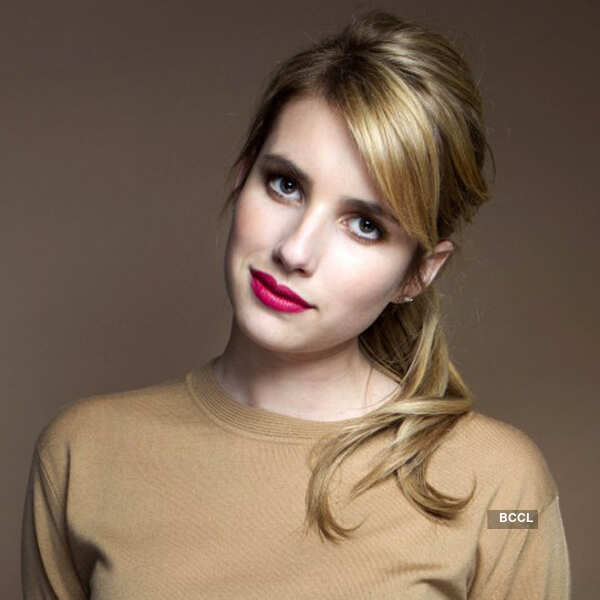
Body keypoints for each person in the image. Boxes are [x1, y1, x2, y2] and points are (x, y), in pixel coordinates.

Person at [21, 9, 571, 599]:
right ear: (242, 177)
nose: (295, 251)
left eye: (365, 224)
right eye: (285, 184)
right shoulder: (84, 453)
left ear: (418, 272)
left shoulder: (500, 489)